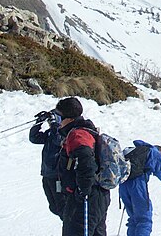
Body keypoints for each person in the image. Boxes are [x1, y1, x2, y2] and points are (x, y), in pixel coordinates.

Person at [55, 97, 111, 236]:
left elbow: (86, 161)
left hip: (87, 198)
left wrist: (82, 191)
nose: (58, 122)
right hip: (98, 195)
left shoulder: (77, 134)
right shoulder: (86, 130)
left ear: (69, 118)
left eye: (59, 117)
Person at [118, 139, 161, 236]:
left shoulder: (138, 150)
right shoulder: (154, 154)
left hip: (123, 185)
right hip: (137, 186)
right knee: (144, 220)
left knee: (133, 219)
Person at [29, 108, 65, 219]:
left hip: (57, 176)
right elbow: (34, 138)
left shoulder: (64, 133)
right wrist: (39, 122)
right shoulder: (51, 133)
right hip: (46, 174)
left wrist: (55, 125)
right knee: (53, 207)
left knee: (62, 207)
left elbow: (58, 141)